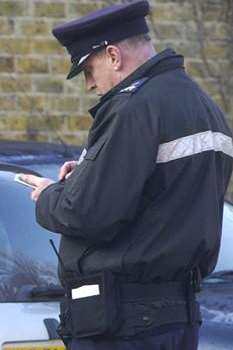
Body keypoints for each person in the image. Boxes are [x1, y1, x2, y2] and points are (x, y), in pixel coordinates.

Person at [21, 1, 233, 349]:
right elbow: (160, 195)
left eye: (89, 69)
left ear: (114, 56)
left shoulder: (133, 108)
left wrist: (48, 195)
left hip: (125, 323)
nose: (90, 85)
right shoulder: (205, 107)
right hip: (178, 315)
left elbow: (87, 213)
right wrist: (89, 176)